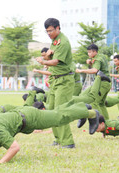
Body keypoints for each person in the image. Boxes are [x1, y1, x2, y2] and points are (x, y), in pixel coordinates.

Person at [0, 101, 100, 165]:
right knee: (57, 114)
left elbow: (15, 148)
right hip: (22, 118)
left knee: (58, 118)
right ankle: (80, 107)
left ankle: (92, 114)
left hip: (30, 117)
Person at [36, 18, 75, 148]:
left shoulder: (63, 42)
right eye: (47, 31)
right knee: (51, 110)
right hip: (55, 80)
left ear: (58, 28)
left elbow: (55, 61)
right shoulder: (55, 41)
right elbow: (50, 55)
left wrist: (43, 61)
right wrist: (46, 56)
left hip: (64, 80)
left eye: (51, 30)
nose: (49, 33)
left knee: (61, 111)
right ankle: (58, 138)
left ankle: (68, 142)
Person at [76, 44, 111, 120]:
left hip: (102, 83)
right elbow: (98, 66)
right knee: (100, 103)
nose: (88, 54)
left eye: (89, 52)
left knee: (94, 102)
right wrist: (91, 62)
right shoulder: (101, 56)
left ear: (94, 51)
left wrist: (81, 70)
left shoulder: (97, 59)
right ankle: (107, 122)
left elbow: (95, 70)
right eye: (88, 52)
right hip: (106, 83)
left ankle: (100, 122)